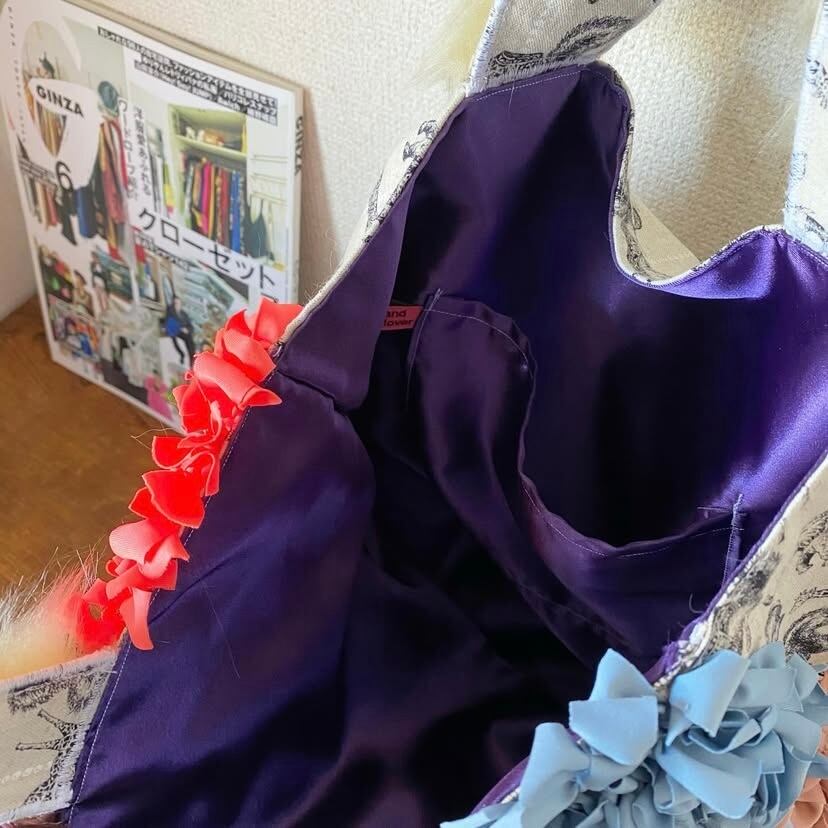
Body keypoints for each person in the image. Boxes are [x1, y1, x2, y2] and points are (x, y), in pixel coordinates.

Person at [164, 296, 196, 366]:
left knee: (190, 341)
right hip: (175, 331)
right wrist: (180, 328)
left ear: (180, 304)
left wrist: (187, 330)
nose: (176, 305)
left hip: (184, 333)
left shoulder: (184, 314)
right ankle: (183, 355)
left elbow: (190, 325)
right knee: (185, 338)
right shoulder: (170, 312)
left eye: (178, 303)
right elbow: (168, 323)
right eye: (175, 303)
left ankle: (192, 361)